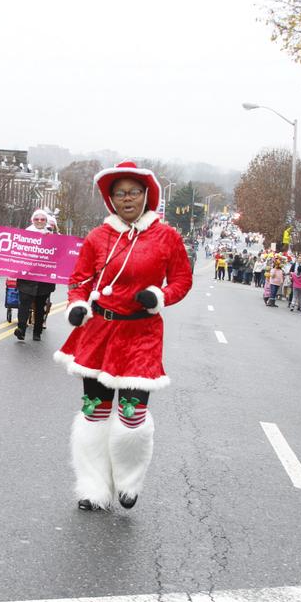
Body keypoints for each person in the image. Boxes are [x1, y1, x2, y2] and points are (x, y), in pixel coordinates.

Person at [54, 160, 192, 511]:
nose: (126, 199)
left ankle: (128, 482)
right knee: (94, 412)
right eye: (119, 194)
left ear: (147, 195)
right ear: (110, 199)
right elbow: (80, 280)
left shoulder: (167, 236)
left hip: (141, 335)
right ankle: (93, 488)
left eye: (133, 192)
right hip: (99, 332)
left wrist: (160, 297)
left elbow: (181, 279)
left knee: (132, 416)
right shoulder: (98, 237)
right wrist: (77, 305)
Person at [14, 209, 56, 341]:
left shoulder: (53, 236)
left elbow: (59, 254)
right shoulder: (25, 234)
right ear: (32, 220)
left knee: (40, 305)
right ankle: (21, 329)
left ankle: (37, 331)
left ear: (46, 221)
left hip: (44, 277)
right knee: (24, 303)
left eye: (42, 219)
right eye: (36, 219)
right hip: (27, 276)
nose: (39, 221)